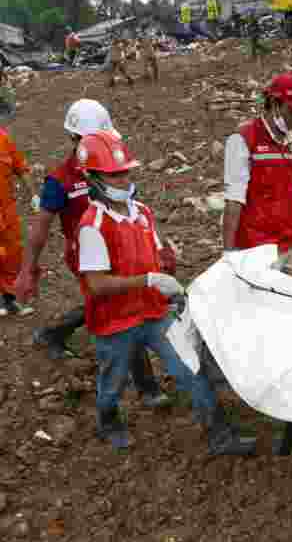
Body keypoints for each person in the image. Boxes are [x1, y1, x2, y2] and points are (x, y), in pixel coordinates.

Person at [74, 131, 255, 456]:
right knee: (112, 384)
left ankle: (220, 434)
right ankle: (108, 421)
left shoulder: (142, 212)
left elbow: (157, 255)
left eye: (125, 172)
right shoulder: (92, 226)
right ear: (93, 178)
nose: (123, 178)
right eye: (114, 174)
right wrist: (147, 280)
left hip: (155, 312)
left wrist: (169, 270)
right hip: (116, 323)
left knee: (189, 369)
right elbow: (96, 284)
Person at [17, 100, 169, 410]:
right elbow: (40, 229)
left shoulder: (114, 169)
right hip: (86, 258)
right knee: (123, 312)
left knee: (111, 305)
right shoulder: (59, 182)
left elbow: (134, 212)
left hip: (123, 252)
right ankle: (147, 387)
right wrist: (26, 270)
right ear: (74, 140)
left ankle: (53, 333)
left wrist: (157, 248)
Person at [222, 72, 292, 455]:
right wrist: (231, 257)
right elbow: (234, 201)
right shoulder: (241, 141)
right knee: (268, 323)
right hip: (261, 247)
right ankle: (272, 397)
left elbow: (290, 187)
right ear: (274, 104)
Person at [0, 124, 34, 317]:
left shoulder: (4, 139)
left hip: (7, 210)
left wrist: (33, 195)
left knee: (12, 253)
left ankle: (10, 299)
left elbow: (21, 168)